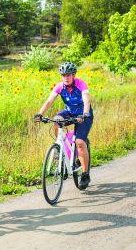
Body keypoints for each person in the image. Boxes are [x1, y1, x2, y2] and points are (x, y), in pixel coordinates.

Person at [34, 61, 93, 189]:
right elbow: (49, 101)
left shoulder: (81, 84)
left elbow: (86, 99)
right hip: (69, 112)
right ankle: (60, 148)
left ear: (73, 75)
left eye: (68, 75)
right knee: (56, 120)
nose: (65, 77)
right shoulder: (60, 86)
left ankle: (85, 173)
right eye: (63, 75)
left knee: (80, 143)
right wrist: (39, 113)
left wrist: (85, 113)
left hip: (83, 115)